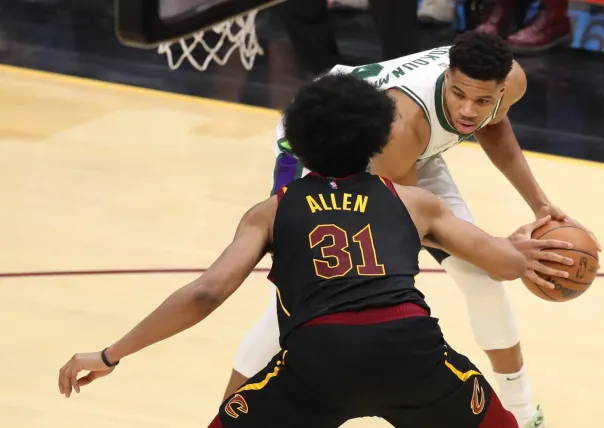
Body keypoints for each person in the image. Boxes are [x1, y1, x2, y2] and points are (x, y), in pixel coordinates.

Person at [57, 74, 573, 427]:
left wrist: (110, 354)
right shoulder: (416, 202)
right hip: (410, 352)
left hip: (318, 361)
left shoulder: (272, 210)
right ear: (375, 139)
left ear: (301, 147)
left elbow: (206, 294)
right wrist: (527, 243)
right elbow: (505, 265)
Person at [230, 30, 601, 427]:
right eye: (459, 94)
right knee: (300, 297)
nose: (469, 112)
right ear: (447, 73)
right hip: (327, 136)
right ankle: (229, 411)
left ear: (502, 87)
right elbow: (399, 219)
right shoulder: (404, 125)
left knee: (481, 281)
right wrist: (493, 248)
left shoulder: (509, 81)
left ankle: (524, 415)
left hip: (406, 152)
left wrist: (540, 205)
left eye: (483, 100)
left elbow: (493, 126)